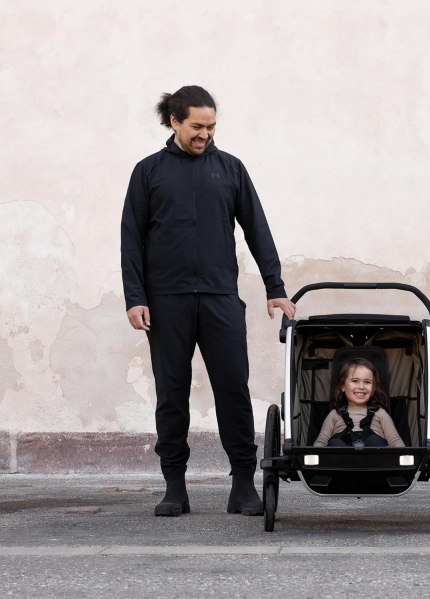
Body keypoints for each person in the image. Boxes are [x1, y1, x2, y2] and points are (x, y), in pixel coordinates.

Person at [121, 86, 295, 517]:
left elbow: (257, 229)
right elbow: (131, 239)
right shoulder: (148, 171)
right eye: (197, 126)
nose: (205, 134)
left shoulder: (230, 169)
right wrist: (135, 297)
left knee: (233, 389)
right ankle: (175, 488)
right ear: (174, 121)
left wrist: (275, 286)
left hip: (220, 299)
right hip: (166, 302)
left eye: (211, 126)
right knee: (172, 394)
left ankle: (243, 486)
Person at [313, 358, 405, 448]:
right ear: (342, 386)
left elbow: (395, 441)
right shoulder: (334, 414)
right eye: (355, 381)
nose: (361, 387)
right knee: (335, 443)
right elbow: (321, 442)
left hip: (375, 454)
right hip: (342, 455)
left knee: (374, 440)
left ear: (374, 388)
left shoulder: (380, 413)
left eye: (367, 382)